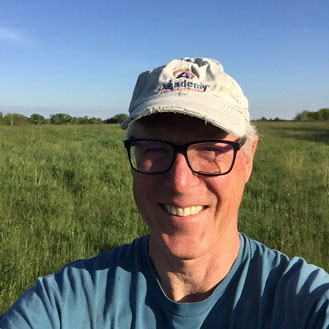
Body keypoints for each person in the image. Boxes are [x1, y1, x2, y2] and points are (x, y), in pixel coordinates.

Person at [1, 57, 328, 328]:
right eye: (153, 149)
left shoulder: (305, 303)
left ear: (247, 159)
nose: (180, 182)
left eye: (210, 149)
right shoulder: (63, 304)